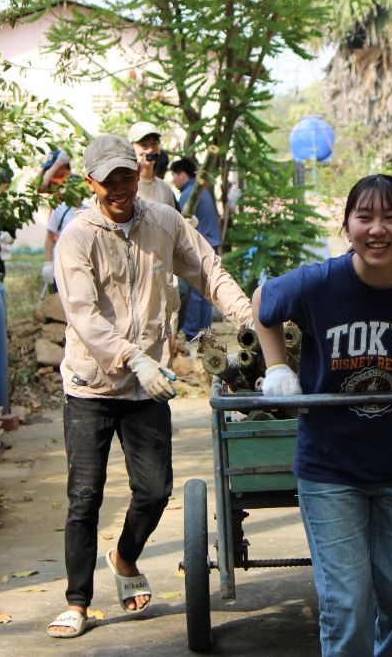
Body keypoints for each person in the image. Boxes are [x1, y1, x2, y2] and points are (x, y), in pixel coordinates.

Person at [253, 174, 392, 657]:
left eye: (391, 217)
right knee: (348, 603)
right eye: (365, 217)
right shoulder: (319, 283)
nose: (377, 229)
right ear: (347, 224)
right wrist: (276, 367)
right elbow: (263, 301)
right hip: (330, 470)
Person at [47, 134, 253, 638]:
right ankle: (77, 601)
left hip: (148, 387)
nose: (120, 188)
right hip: (91, 386)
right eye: (109, 181)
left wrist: (250, 318)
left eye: (127, 176)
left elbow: (208, 271)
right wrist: (131, 357)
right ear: (91, 183)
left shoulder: (164, 221)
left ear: (138, 174)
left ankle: (124, 556)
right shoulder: (77, 237)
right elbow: (83, 315)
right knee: (84, 496)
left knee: (156, 491)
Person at [170, 158, 221, 339]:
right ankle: (205, 332)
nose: (173, 180)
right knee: (205, 292)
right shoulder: (202, 191)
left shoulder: (189, 194)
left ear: (182, 175)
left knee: (195, 292)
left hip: (201, 246)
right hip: (211, 244)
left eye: (174, 175)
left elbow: (182, 226)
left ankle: (192, 333)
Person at [38, 149, 87, 289]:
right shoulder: (58, 186)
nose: (50, 172)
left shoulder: (74, 184)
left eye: (53, 168)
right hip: (59, 244)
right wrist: (56, 164)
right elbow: (40, 186)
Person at [127, 121, 177, 208]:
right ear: (131, 148)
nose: (150, 149)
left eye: (154, 144)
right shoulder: (125, 186)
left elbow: (172, 216)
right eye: (144, 145)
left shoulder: (165, 188)